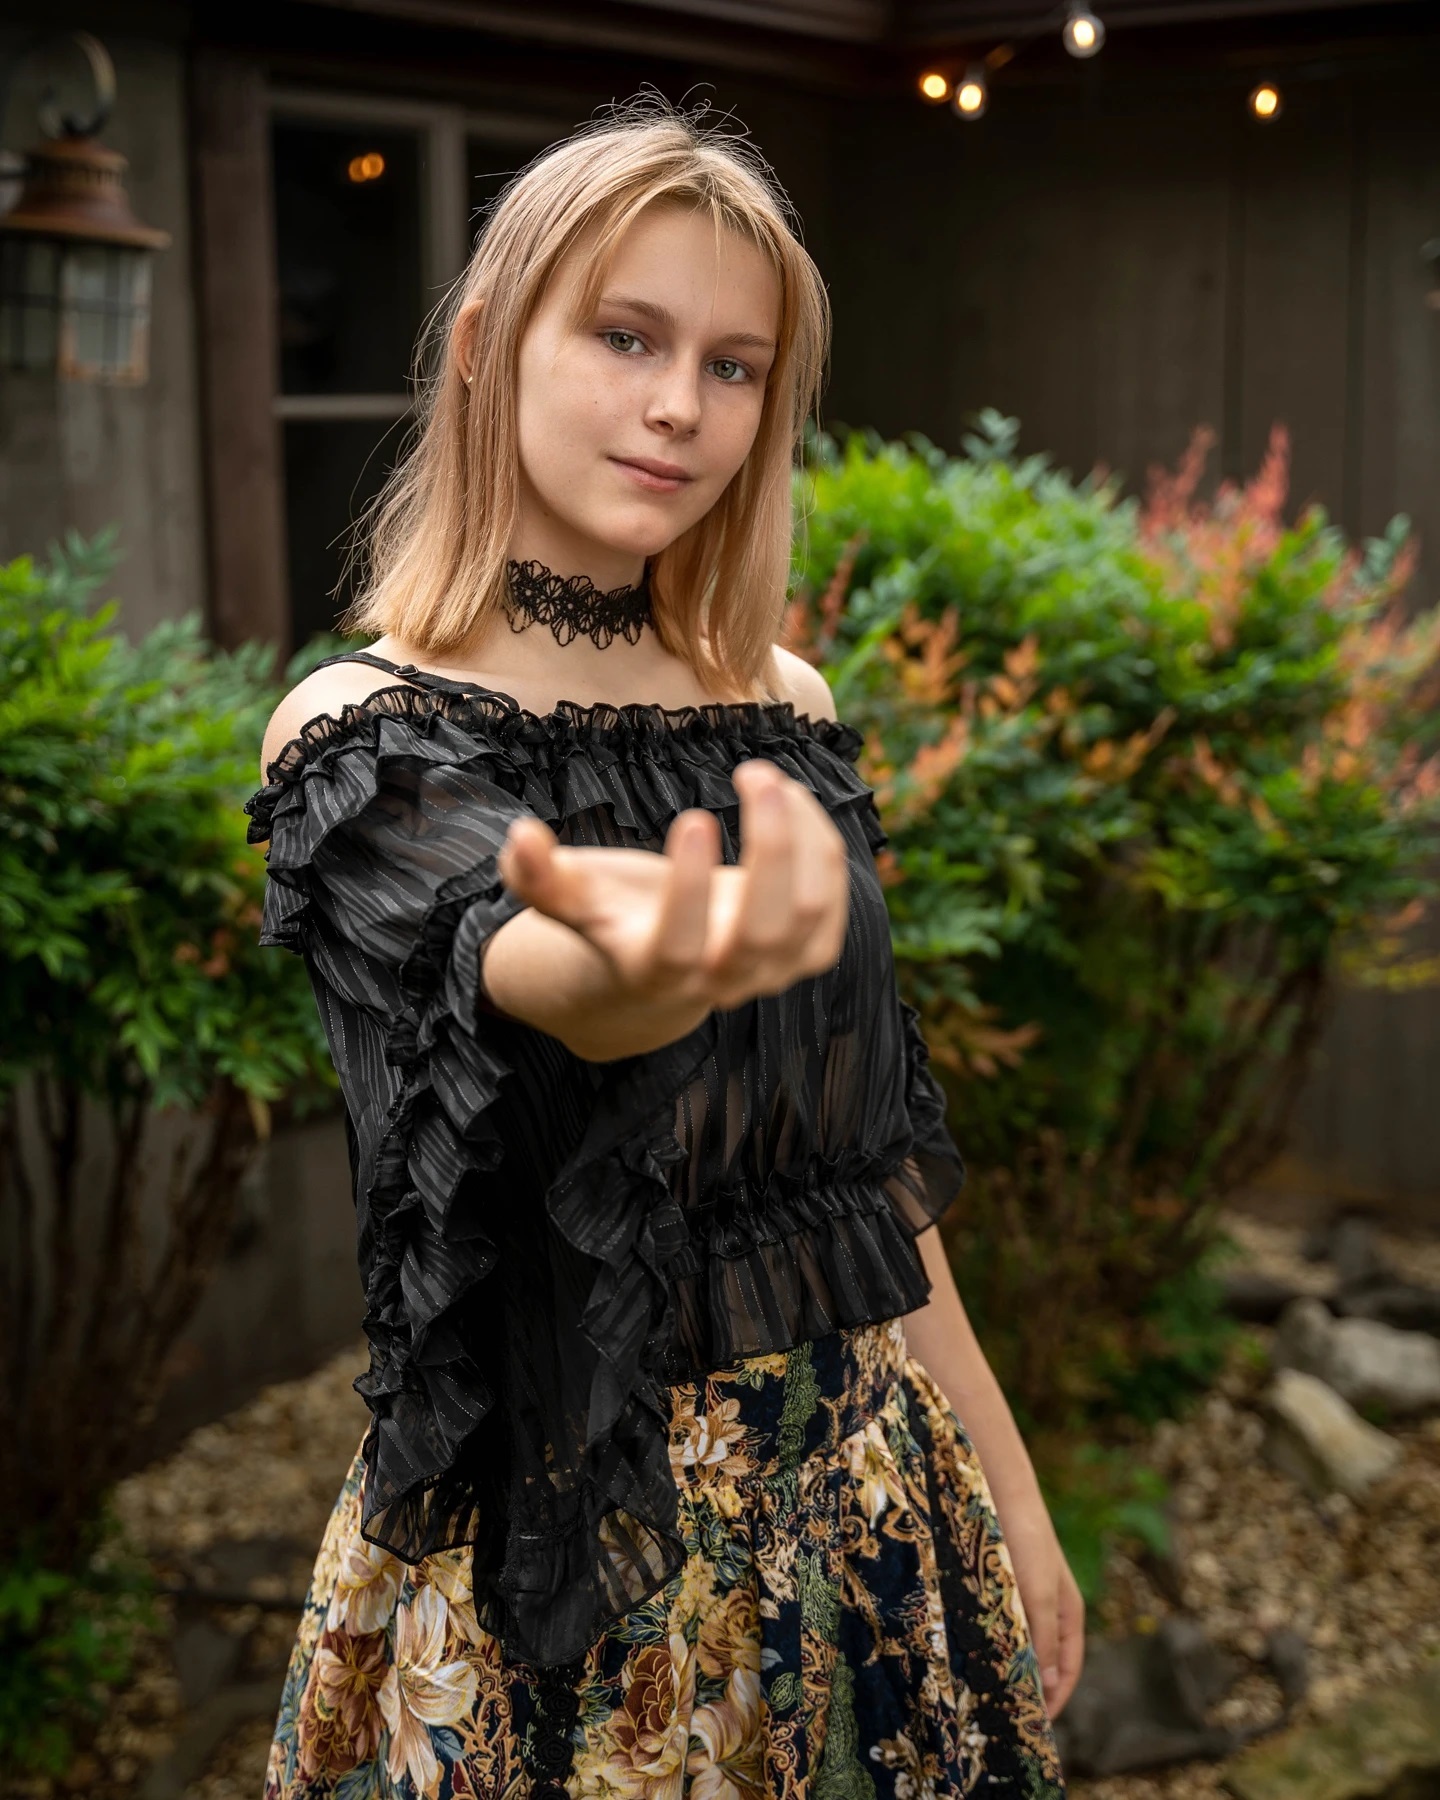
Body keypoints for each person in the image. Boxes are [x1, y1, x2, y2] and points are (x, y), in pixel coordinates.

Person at [245, 93, 1080, 1800]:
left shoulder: (786, 711)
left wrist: (1011, 1489)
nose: (681, 405)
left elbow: (865, 1188)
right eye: (625, 336)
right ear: (487, 343)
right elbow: (524, 962)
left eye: (733, 364)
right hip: (556, 1570)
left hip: (867, 1522)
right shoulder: (361, 734)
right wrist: (641, 980)